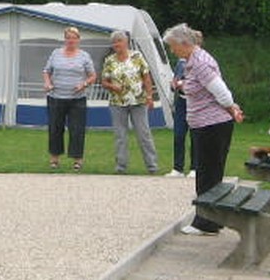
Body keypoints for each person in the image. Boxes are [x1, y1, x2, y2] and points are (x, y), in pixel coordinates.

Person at [162, 22, 244, 236]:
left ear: (184, 43)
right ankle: (210, 220)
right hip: (204, 125)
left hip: (212, 126)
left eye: (173, 46)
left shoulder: (199, 63)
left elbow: (222, 92)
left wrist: (232, 109)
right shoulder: (191, 61)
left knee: (208, 174)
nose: (172, 51)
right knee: (206, 172)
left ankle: (206, 222)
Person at [101, 30, 159, 174]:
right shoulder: (109, 60)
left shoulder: (137, 56)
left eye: (119, 41)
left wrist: (150, 96)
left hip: (138, 101)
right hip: (117, 103)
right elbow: (104, 82)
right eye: (114, 42)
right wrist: (113, 86)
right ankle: (121, 166)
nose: (116, 44)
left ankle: (152, 166)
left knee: (143, 134)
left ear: (126, 42)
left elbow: (146, 78)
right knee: (120, 136)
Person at [42, 26, 97, 170]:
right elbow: (46, 71)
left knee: (77, 129)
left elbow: (93, 76)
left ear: (78, 40)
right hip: (56, 97)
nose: (70, 41)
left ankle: (77, 160)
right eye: (68, 38)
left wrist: (84, 84)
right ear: (64, 39)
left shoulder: (84, 56)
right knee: (55, 128)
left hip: (77, 99)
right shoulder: (56, 53)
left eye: (73, 38)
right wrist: (47, 83)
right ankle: (54, 159)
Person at [166, 29, 203, 178]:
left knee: (195, 136)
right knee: (179, 135)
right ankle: (177, 168)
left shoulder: (201, 61)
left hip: (195, 104)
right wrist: (174, 84)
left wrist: (184, 84)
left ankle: (194, 167)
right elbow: (176, 79)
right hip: (181, 103)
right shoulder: (181, 62)